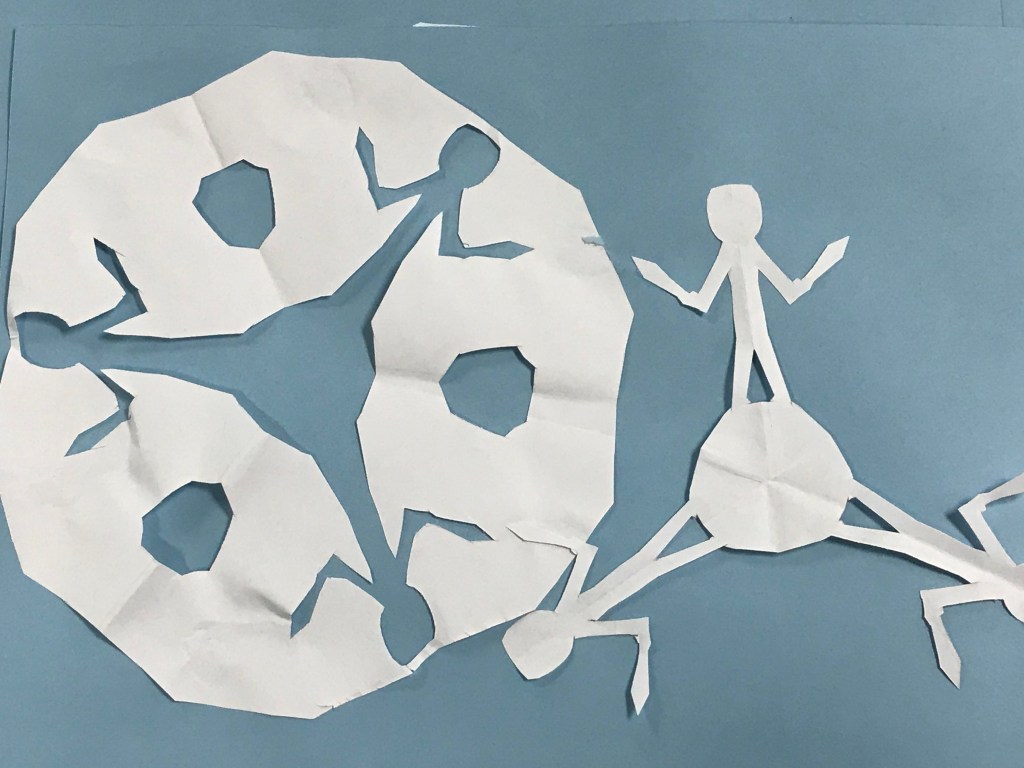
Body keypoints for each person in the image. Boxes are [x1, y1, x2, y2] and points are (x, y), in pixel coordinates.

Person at [634, 184, 847, 407]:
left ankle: (751, 400)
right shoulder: (731, 251)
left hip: (752, 325)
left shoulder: (747, 249)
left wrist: (685, 295)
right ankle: (751, 400)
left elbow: (782, 287)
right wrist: (803, 283)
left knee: (752, 347)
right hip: (747, 326)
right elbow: (708, 297)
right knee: (751, 347)